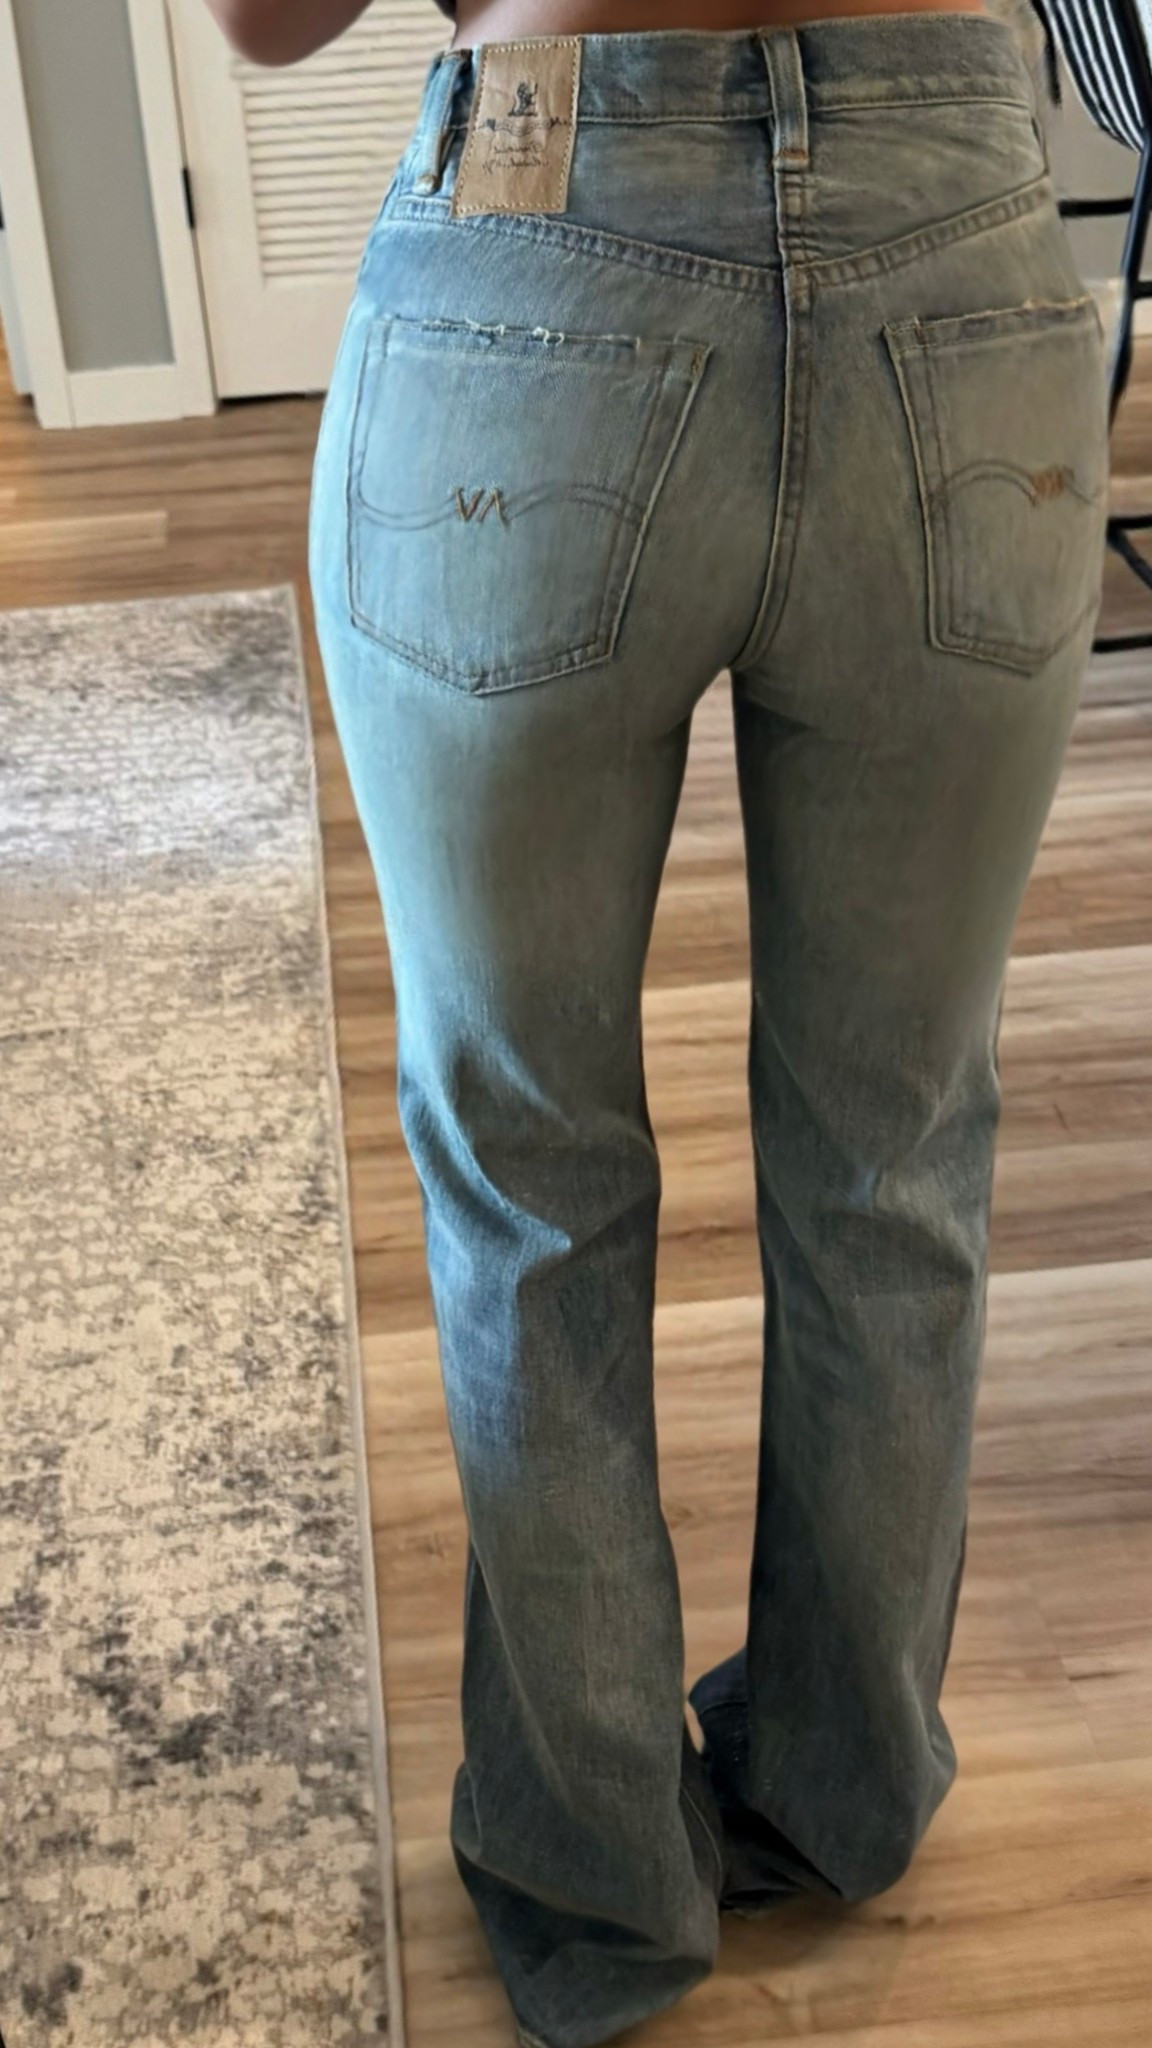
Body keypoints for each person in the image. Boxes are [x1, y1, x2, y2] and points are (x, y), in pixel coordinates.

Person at [208, 1, 1110, 2043]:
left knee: (526, 1173)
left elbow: (264, 22)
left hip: (548, 230)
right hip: (962, 243)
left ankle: (601, 1887)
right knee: (894, 1150)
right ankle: (841, 1790)